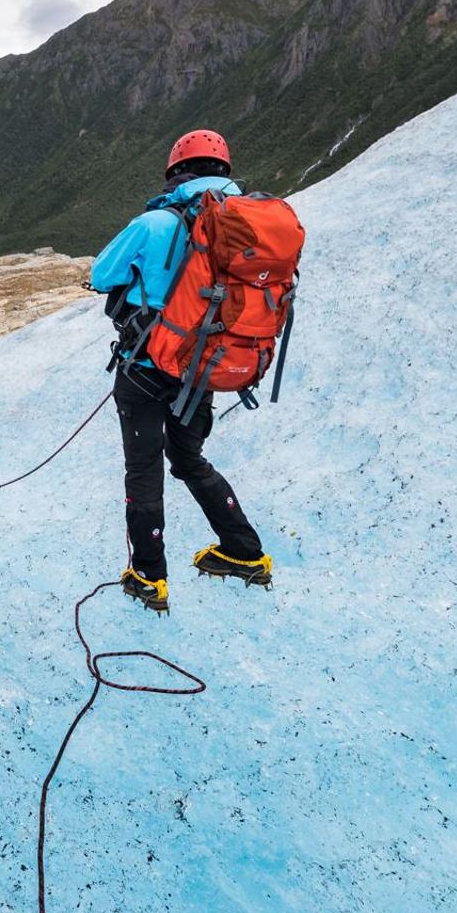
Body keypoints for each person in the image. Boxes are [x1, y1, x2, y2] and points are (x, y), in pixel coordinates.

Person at [89, 129, 271, 612]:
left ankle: (150, 579)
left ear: (175, 173)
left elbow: (100, 275)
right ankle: (245, 553)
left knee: (143, 470)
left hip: (146, 368)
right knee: (189, 460)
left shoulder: (153, 223)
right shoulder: (249, 223)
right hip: (203, 369)